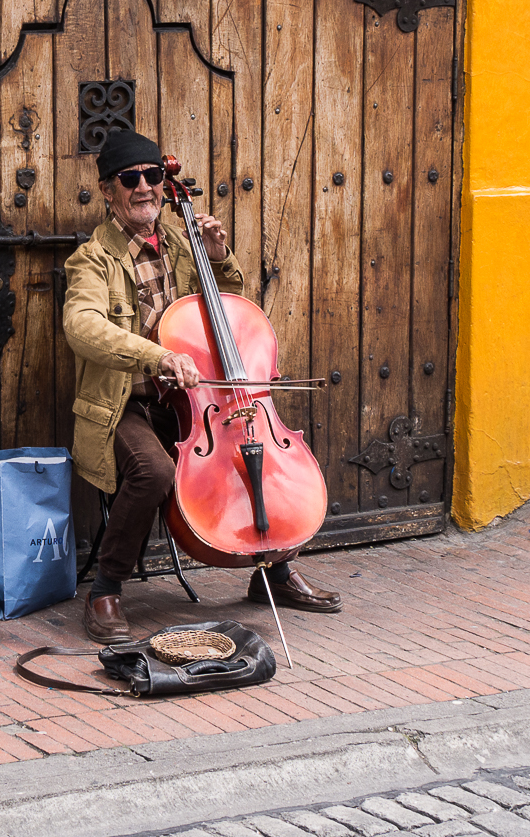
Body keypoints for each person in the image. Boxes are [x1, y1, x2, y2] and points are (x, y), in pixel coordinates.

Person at [62, 128, 343, 644]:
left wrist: (218, 257)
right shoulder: (92, 261)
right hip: (130, 401)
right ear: (108, 189)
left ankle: (273, 573)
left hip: (199, 400)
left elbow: (228, 314)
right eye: (131, 179)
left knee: (254, 450)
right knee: (153, 471)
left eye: (152, 176)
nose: (145, 187)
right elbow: (82, 326)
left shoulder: (180, 241)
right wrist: (159, 354)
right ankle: (105, 589)